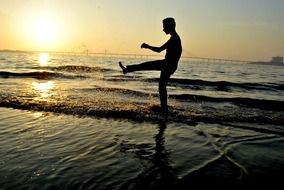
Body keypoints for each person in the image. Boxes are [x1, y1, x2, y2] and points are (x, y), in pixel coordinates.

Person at [119, 17, 182, 113]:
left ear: (170, 26)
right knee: (161, 84)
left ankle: (164, 109)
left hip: (168, 64)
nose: (163, 29)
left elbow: (159, 50)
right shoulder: (174, 38)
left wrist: (147, 46)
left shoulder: (174, 39)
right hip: (169, 65)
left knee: (148, 69)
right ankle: (164, 108)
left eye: (164, 26)